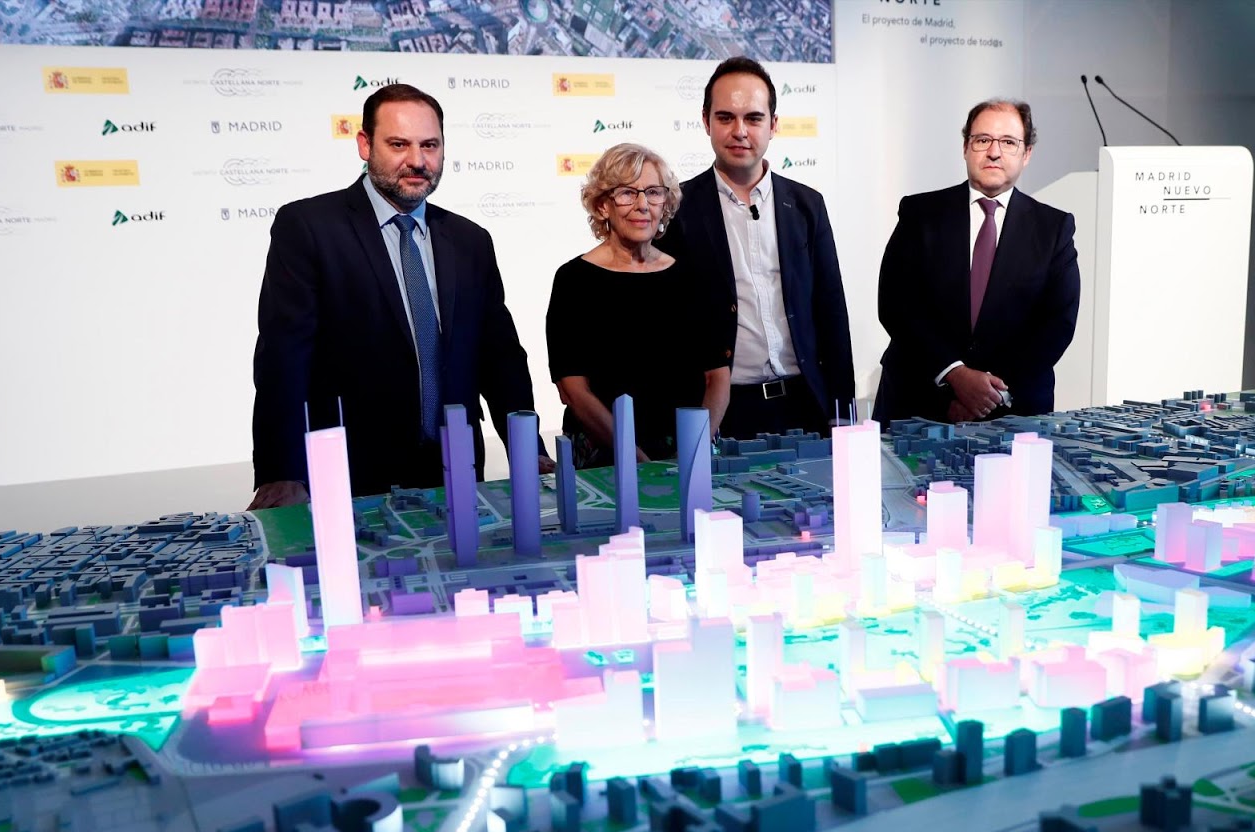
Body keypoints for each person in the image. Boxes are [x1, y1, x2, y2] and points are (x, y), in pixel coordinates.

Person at [248, 84, 545, 507]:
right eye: (399, 144)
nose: (418, 161)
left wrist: (529, 450)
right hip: (349, 476)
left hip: (455, 472)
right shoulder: (309, 226)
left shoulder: (469, 239)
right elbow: (283, 358)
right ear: (365, 144)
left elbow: (501, 359)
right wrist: (281, 470)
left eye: (430, 145)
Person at [657, 57, 855, 439]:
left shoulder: (807, 205)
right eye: (725, 117)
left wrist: (841, 411)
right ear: (706, 121)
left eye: (753, 118)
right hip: (723, 412)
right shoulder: (678, 208)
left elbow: (831, 309)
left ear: (773, 125)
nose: (739, 131)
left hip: (805, 404)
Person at [873, 99, 1078, 425]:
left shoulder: (1054, 229)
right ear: (966, 148)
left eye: (1008, 142)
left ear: (1026, 154)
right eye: (982, 140)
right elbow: (897, 305)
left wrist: (988, 396)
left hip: (1013, 409)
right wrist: (955, 375)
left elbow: (1056, 324)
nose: (994, 152)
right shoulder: (920, 214)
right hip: (918, 401)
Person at [546, 144, 731, 467]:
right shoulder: (574, 280)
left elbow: (717, 377)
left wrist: (692, 451)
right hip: (605, 456)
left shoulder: (692, 277)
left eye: (653, 193)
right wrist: (639, 463)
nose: (643, 205)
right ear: (602, 205)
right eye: (627, 193)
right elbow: (573, 389)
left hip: (686, 453)